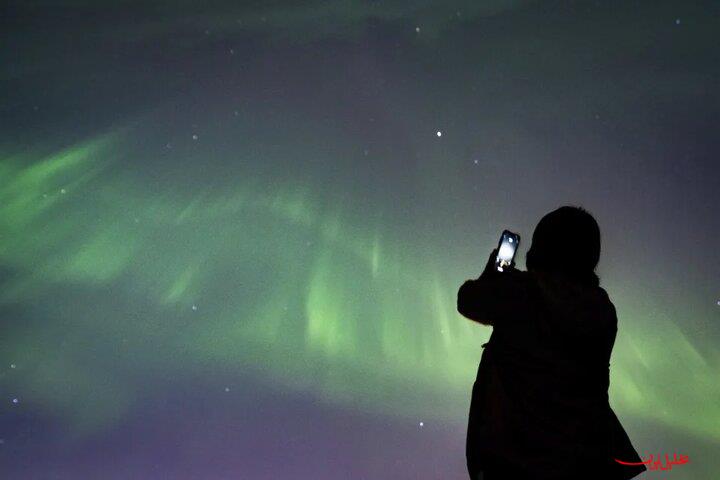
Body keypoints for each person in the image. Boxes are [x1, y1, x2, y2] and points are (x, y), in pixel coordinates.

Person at [457, 206, 646, 480]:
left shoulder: (521, 291)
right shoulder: (603, 310)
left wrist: (493, 275)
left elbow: (469, 300)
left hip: (515, 459)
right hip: (584, 461)